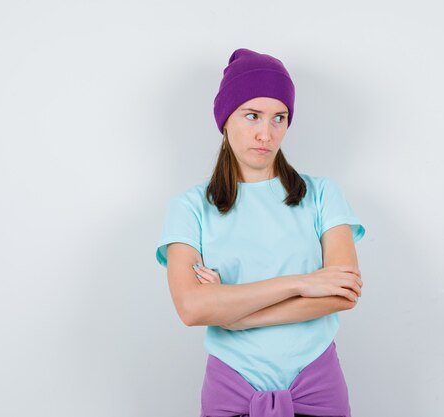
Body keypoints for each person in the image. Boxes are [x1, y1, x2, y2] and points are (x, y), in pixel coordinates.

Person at [155, 48, 366, 417]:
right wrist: (301, 283)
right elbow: (191, 308)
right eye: (251, 115)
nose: (265, 134)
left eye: (278, 118)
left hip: (318, 383)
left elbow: (343, 293)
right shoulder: (189, 207)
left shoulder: (322, 194)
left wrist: (234, 313)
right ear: (225, 119)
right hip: (232, 387)